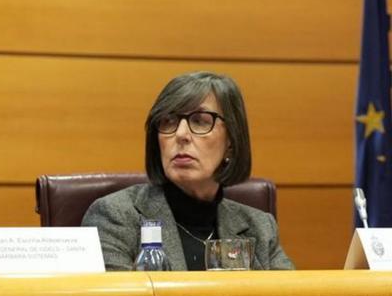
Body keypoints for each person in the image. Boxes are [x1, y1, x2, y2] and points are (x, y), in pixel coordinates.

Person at [82, 71, 293, 271]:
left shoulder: (261, 228)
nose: (181, 134)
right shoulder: (116, 217)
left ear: (231, 141)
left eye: (200, 121)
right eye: (168, 121)